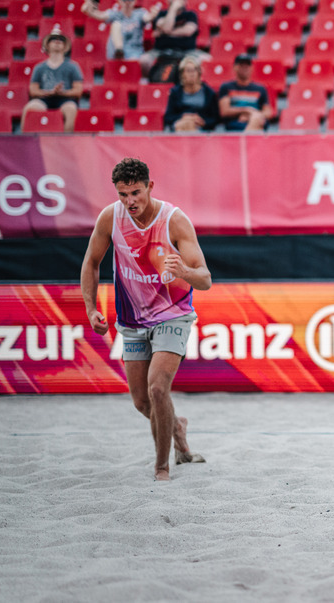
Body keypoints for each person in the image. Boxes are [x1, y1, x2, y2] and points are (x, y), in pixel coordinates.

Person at [81, 157, 211, 482]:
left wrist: (184, 272)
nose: (130, 201)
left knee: (156, 388)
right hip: (133, 321)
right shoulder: (110, 217)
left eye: (136, 192)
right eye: (123, 194)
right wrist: (90, 307)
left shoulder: (174, 220)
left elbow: (205, 279)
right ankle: (178, 429)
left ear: (150, 186)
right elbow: (91, 263)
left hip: (173, 314)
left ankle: (161, 467)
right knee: (142, 402)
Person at [21, 28, 84, 133]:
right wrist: (49, 92)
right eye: (53, 39)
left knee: (71, 109)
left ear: (65, 46)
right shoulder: (39, 68)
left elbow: (78, 91)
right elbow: (33, 90)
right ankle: (24, 141)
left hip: (65, 99)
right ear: (48, 45)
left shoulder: (73, 66)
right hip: (45, 99)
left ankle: (67, 141)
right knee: (29, 108)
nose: (57, 41)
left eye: (61, 39)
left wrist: (62, 92)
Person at [139, 0, 206, 77]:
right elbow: (167, 28)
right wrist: (173, 9)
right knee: (144, 60)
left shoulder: (191, 15)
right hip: (161, 50)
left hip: (187, 51)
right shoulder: (161, 14)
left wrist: (166, 32)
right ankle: (148, 84)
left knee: (206, 60)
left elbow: (188, 31)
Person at [82, 0, 160, 60]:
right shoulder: (115, 14)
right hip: (116, 52)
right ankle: (119, 51)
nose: (128, 1)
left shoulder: (140, 13)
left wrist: (153, 14)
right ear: (119, 1)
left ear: (135, 0)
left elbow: (147, 18)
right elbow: (100, 16)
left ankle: (120, 53)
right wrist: (89, 11)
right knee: (116, 24)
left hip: (135, 53)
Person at [218, 54, 274, 132]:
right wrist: (246, 110)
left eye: (247, 65)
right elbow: (224, 111)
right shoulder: (226, 87)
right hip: (236, 123)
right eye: (241, 65)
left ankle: (245, 140)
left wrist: (250, 116)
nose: (245, 68)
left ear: (252, 68)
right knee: (257, 124)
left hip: (254, 119)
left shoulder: (260, 89)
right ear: (235, 67)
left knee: (257, 120)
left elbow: (268, 112)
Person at [164, 56, 220, 132]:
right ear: (182, 74)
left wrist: (203, 122)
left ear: (199, 72)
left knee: (189, 125)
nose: (192, 74)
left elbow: (215, 118)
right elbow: (168, 117)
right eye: (188, 71)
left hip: (201, 128)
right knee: (185, 124)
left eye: (194, 70)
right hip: (180, 124)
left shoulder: (209, 92)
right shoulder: (175, 92)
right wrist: (183, 116)